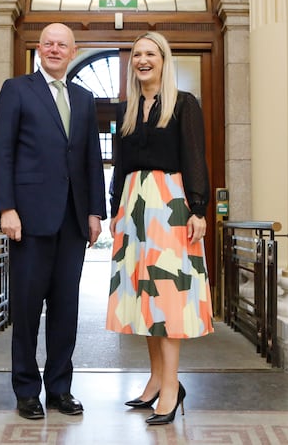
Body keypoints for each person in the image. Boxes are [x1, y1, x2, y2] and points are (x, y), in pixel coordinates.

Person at [0, 23, 107, 420]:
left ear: (73, 52)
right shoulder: (16, 90)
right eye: (49, 43)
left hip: (73, 223)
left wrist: (94, 212)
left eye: (63, 45)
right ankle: (26, 391)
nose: (55, 50)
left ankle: (60, 389)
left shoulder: (84, 98)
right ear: (39, 49)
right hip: (28, 219)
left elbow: (91, 158)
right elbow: (1, 153)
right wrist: (6, 208)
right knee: (25, 310)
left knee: (65, 311)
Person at [106, 31, 214, 425]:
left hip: (170, 206)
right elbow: (120, 164)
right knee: (144, 297)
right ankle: (154, 381)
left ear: (164, 60)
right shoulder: (127, 109)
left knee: (167, 298)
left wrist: (198, 209)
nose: (143, 59)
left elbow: (195, 157)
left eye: (151, 53)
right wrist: (115, 207)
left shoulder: (184, 104)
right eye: (137, 54)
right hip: (134, 208)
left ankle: (172, 387)